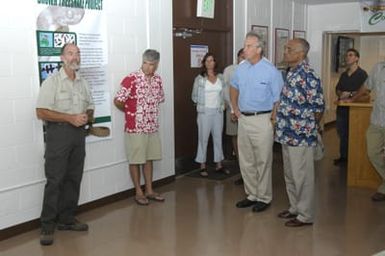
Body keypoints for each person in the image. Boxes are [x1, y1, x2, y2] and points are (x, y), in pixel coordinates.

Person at [36, 43, 94, 246]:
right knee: (55, 180)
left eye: (77, 53)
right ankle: (47, 225)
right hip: (58, 135)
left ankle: (67, 219)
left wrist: (88, 118)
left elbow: (90, 106)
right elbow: (41, 112)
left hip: (78, 136)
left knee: (73, 178)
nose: (74, 57)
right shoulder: (52, 82)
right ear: (62, 58)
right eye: (70, 53)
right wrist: (70, 118)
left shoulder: (83, 82)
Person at [230, 31, 284, 212]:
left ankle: (264, 197)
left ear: (259, 49)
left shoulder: (271, 71)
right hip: (244, 119)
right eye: (245, 45)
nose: (244, 49)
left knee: (263, 160)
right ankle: (251, 194)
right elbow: (233, 87)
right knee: (246, 160)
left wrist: (273, 121)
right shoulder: (241, 68)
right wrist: (235, 109)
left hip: (263, 119)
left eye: (248, 46)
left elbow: (278, 99)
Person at [275, 38, 325, 227]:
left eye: (289, 49)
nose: (285, 51)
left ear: (301, 54)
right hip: (286, 133)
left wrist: (309, 128)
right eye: (286, 48)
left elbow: (318, 107)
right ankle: (294, 207)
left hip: (300, 136)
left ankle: (305, 215)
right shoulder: (291, 72)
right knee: (290, 174)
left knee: (302, 176)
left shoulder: (308, 75)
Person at [114, 49, 165, 206]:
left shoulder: (158, 80)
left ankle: (149, 190)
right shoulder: (131, 79)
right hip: (135, 127)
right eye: (146, 64)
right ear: (142, 62)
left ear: (156, 65)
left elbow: (160, 99)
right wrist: (131, 112)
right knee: (135, 160)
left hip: (151, 126)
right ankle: (138, 191)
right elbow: (118, 100)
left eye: (152, 65)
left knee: (148, 158)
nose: (148, 67)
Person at [191, 52, 229, 177]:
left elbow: (225, 94)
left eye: (211, 60)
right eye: (207, 60)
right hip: (204, 112)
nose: (209, 63)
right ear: (204, 63)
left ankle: (219, 164)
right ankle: (202, 165)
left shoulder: (221, 77)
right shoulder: (199, 79)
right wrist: (202, 103)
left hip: (218, 112)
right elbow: (194, 96)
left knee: (218, 138)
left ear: (215, 62)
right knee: (203, 138)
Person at [334, 49, 368, 166]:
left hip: (355, 110)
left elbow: (365, 93)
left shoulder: (362, 74)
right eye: (346, 55)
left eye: (350, 55)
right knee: (342, 134)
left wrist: (351, 95)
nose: (347, 57)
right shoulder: (344, 74)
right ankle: (344, 157)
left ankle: (354, 158)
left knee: (353, 134)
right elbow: (338, 89)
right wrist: (340, 94)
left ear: (357, 58)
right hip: (342, 109)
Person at [223, 48, 245, 185]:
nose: (243, 59)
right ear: (237, 57)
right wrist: (232, 109)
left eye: (245, 57)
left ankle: (248, 172)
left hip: (246, 111)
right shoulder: (229, 70)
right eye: (241, 57)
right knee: (235, 137)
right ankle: (241, 167)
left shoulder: (252, 71)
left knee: (246, 140)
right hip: (232, 109)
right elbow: (226, 90)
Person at [366, 61, 385, 202]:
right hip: (377, 120)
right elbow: (367, 86)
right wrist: (353, 97)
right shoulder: (378, 67)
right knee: (372, 152)